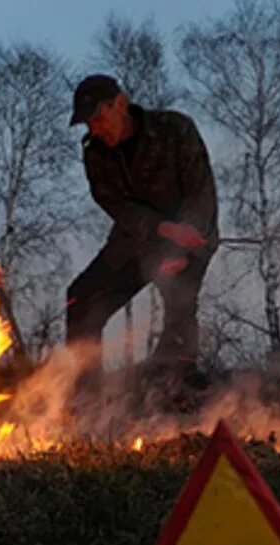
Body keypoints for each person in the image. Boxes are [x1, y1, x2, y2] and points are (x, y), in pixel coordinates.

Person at [66, 74, 218, 405]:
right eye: (88, 124)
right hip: (134, 241)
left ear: (119, 104)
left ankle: (179, 389)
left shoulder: (175, 130)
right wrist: (163, 229)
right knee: (81, 299)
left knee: (178, 297)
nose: (95, 129)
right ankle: (86, 400)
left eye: (99, 118)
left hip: (190, 239)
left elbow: (201, 193)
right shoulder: (96, 154)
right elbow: (116, 206)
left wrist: (181, 246)